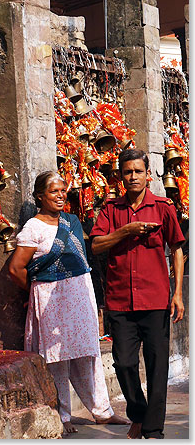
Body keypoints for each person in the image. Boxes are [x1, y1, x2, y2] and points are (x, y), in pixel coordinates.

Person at [9, 171, 129, 434]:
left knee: (89, 353)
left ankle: (102, 412)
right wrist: (36, 291)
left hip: (80, 294)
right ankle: (62, 414)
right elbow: (16, 268)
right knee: (57, 358)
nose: (61, 196)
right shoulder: (33, 227)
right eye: (54, 191)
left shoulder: (72, 221)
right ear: (40, 196)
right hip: (52, 299)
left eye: (63, 190)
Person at [90, 149, 185, 440]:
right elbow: (95, 245)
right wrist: (126, 231)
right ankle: (139, 414)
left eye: (138, 171)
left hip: (156, 300)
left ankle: (153, 431)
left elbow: (177, 249)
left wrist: (177, 293)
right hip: (119, 301)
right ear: (121, 176)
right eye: (127, 172)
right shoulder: (110, 210)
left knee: (157, 367)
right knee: (124, 363)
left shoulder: (163, 207)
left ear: (148, 175)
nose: (133, 177)